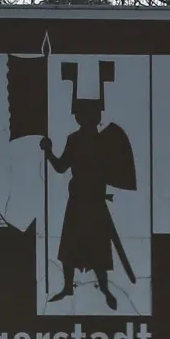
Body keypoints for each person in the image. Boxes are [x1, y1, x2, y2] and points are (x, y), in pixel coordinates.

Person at [41, 104, 119, 308]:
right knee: (72, 245)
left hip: (93, 200)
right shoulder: (75, 140)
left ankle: (104, 288)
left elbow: (111, 171)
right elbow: (61, 167)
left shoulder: (102, 141)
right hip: (79, 200)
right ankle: (69, 287)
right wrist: (49, 152)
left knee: (97, 247)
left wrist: (49, 152)